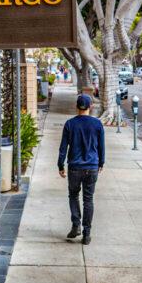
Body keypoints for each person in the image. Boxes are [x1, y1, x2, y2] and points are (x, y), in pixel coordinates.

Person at [58, 94, 105, 245]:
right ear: (90, 107)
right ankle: (87, 234)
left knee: (73, 195)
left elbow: (63, 148)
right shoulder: (97, 124)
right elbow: (101, 147)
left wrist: (60, 165)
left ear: (77, 107)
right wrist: (101, 163)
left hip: (74, 167)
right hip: (91, 167)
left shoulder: (70, 124)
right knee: (88, 199)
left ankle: (76, 224)